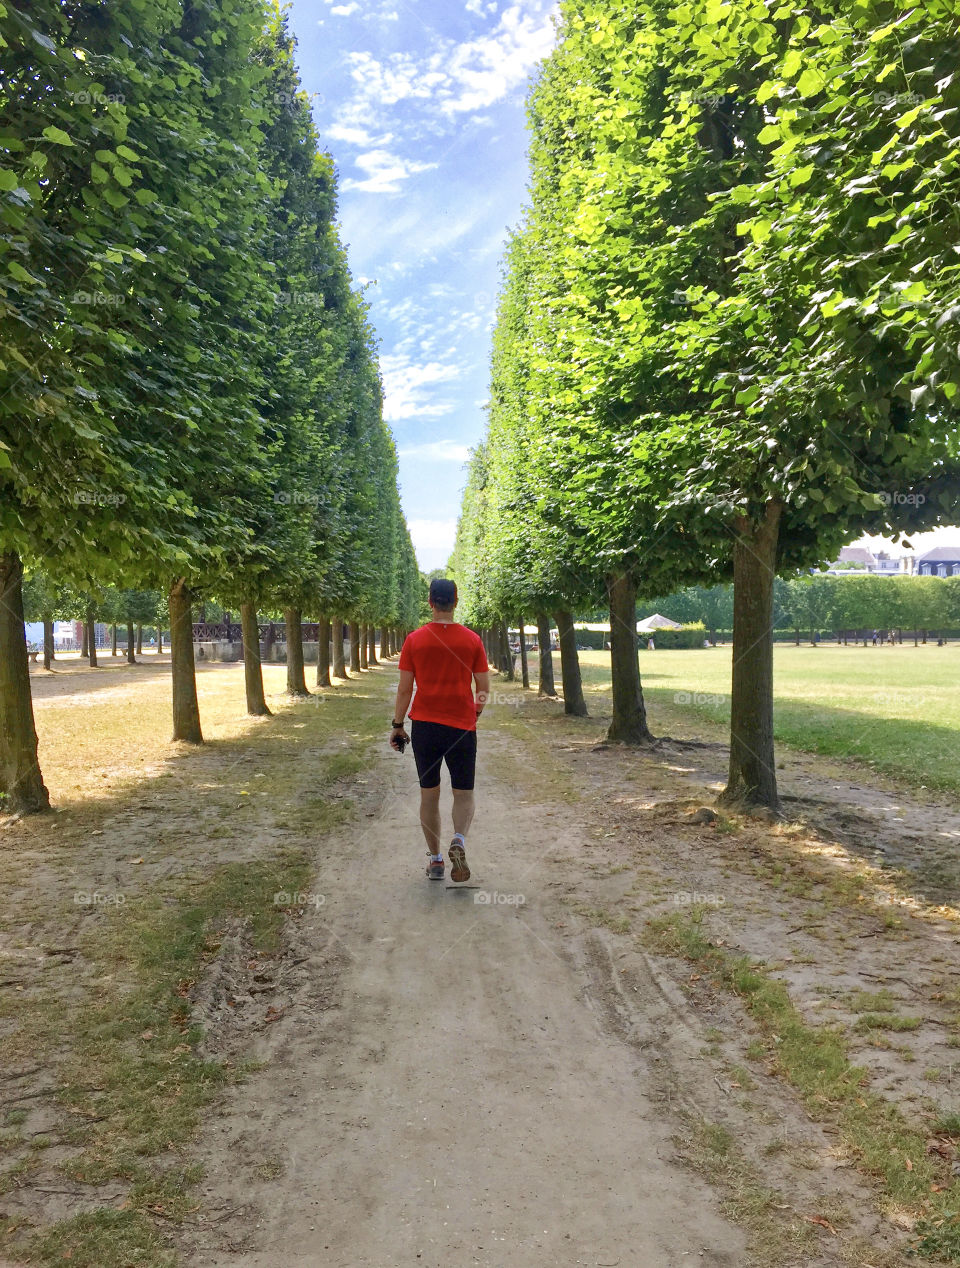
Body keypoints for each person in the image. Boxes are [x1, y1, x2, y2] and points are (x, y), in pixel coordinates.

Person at [390, 579, 490, 882]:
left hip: (426, 727)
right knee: (463, 793)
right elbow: (483, 687)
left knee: (429, 794)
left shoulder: (414, 640)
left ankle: (435, 861)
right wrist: (474, 713)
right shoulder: (472, 640)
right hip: (461, 726)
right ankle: (458, 840)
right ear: (456, 602)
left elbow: (405, 689)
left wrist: (398, 725)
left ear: (430, 602)